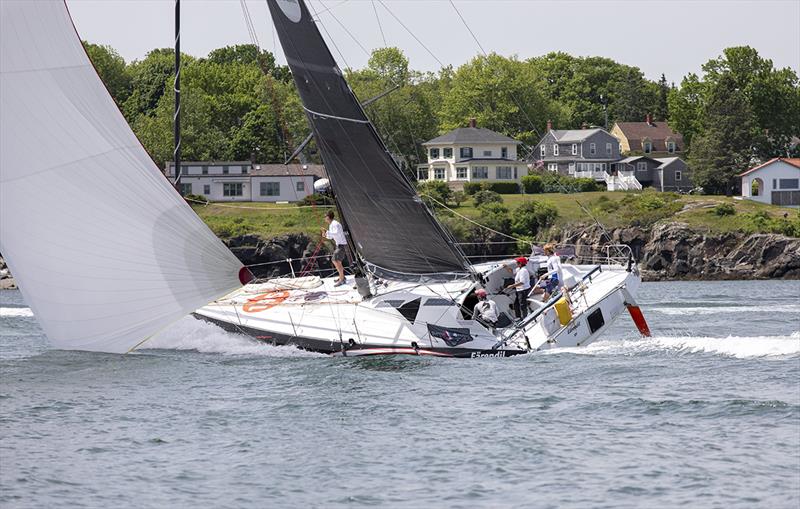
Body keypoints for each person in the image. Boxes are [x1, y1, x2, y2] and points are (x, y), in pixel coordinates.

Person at [321, 209, 347, 287]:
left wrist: (327, 232)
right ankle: (342, 277)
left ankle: (342, 279)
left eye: (325, 216)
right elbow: (331, 236)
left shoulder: (335, 224)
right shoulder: (332, 224)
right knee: (337, 261)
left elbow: (336, 234)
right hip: (339, 245)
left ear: (328, 217)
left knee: (335, 260)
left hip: (342, 245)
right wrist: (325, 234)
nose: (324, 218)